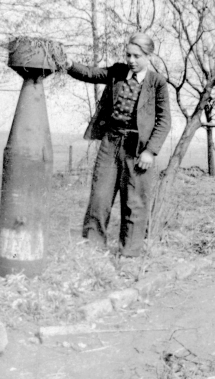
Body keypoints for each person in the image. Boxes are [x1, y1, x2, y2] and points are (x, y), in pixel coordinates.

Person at [66, 33, 171, 257]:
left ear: (149, 56)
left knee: (135, 201)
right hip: (110, 143)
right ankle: (93, 249)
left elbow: (164, 121)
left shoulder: (157, 83)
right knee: (99, 196)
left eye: (137, 56)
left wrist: (150, 151)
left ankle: (130, 253)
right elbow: (91, 73)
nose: (131, 60)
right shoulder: (117, 72)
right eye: (128, 55)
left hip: (138, 149)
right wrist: (68, 64)